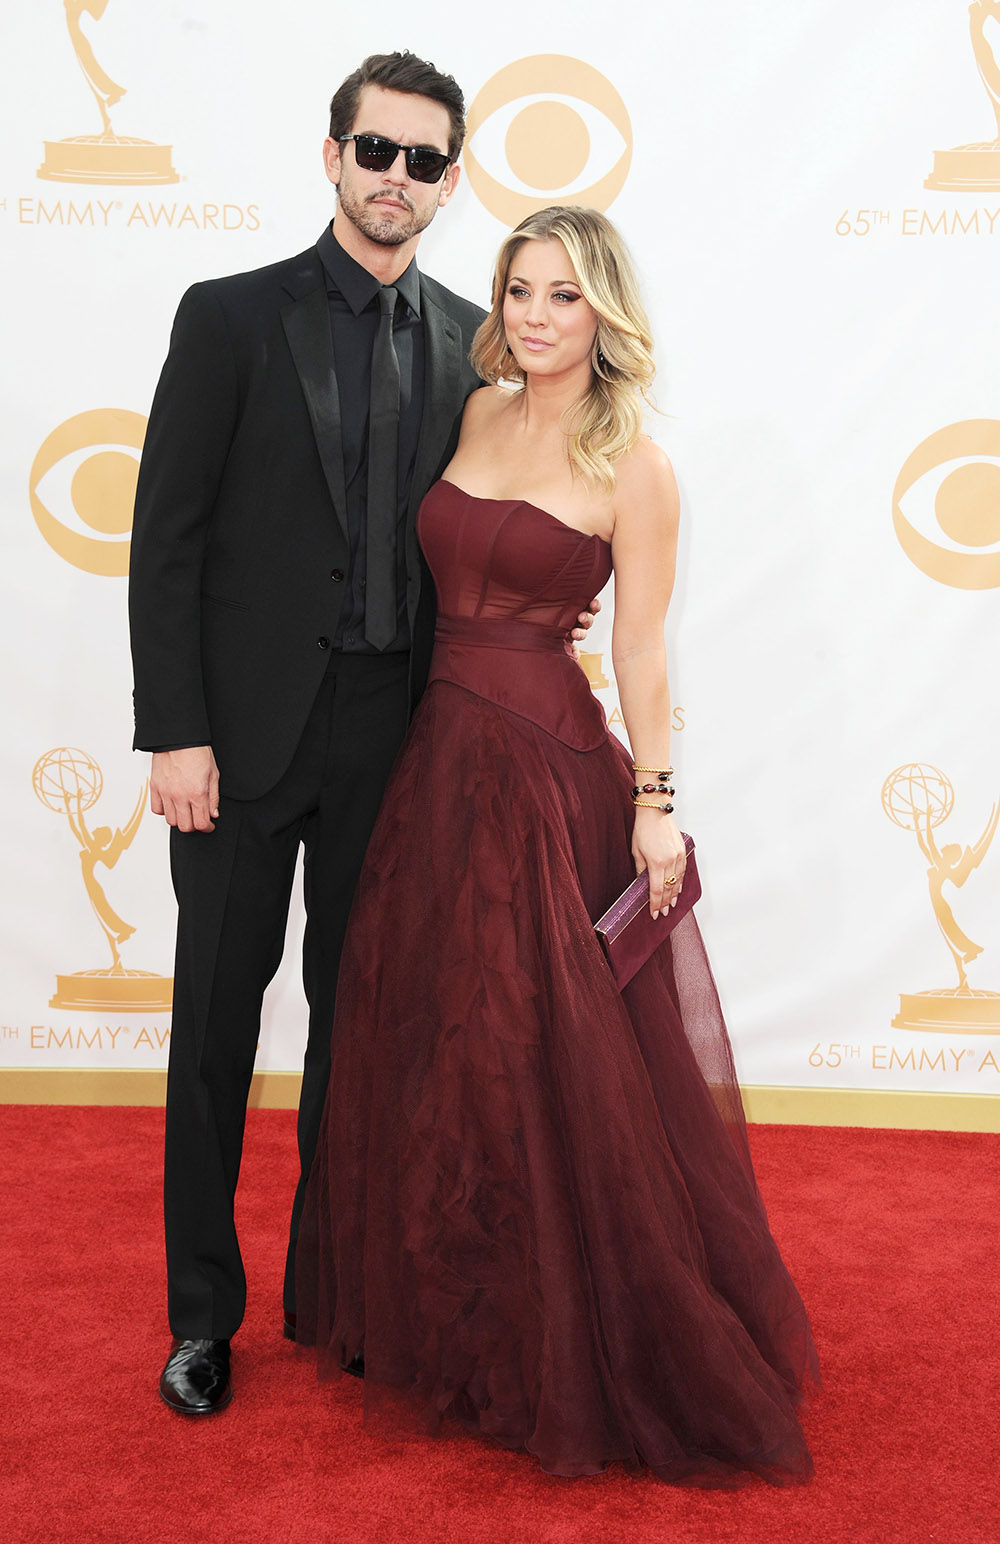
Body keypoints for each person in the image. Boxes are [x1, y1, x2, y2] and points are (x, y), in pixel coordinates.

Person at [295, 206, 819, 1486]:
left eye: (562, 296)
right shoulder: (473, 415)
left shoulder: (634, 461)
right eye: (517, 290)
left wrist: (655, 800)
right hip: (439, 769)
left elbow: (638, 646)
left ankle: (564, 1337)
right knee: (440, 1044)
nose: (532, 316)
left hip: (546, 775)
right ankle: (447, 1308)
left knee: (538, 1058)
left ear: (605, 312)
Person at [129, 51, 596, 1418]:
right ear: (332, 156)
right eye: (376, 152)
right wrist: (177, 732)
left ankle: (336, 1296)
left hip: (401, 743)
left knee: (370, 1030)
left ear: (453, 183)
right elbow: (168, 541)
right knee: (214, 1026)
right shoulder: (225, 319)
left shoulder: (474, 341)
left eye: (426, 160)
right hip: (239, 742)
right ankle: (204, 1318)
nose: (398, 178)